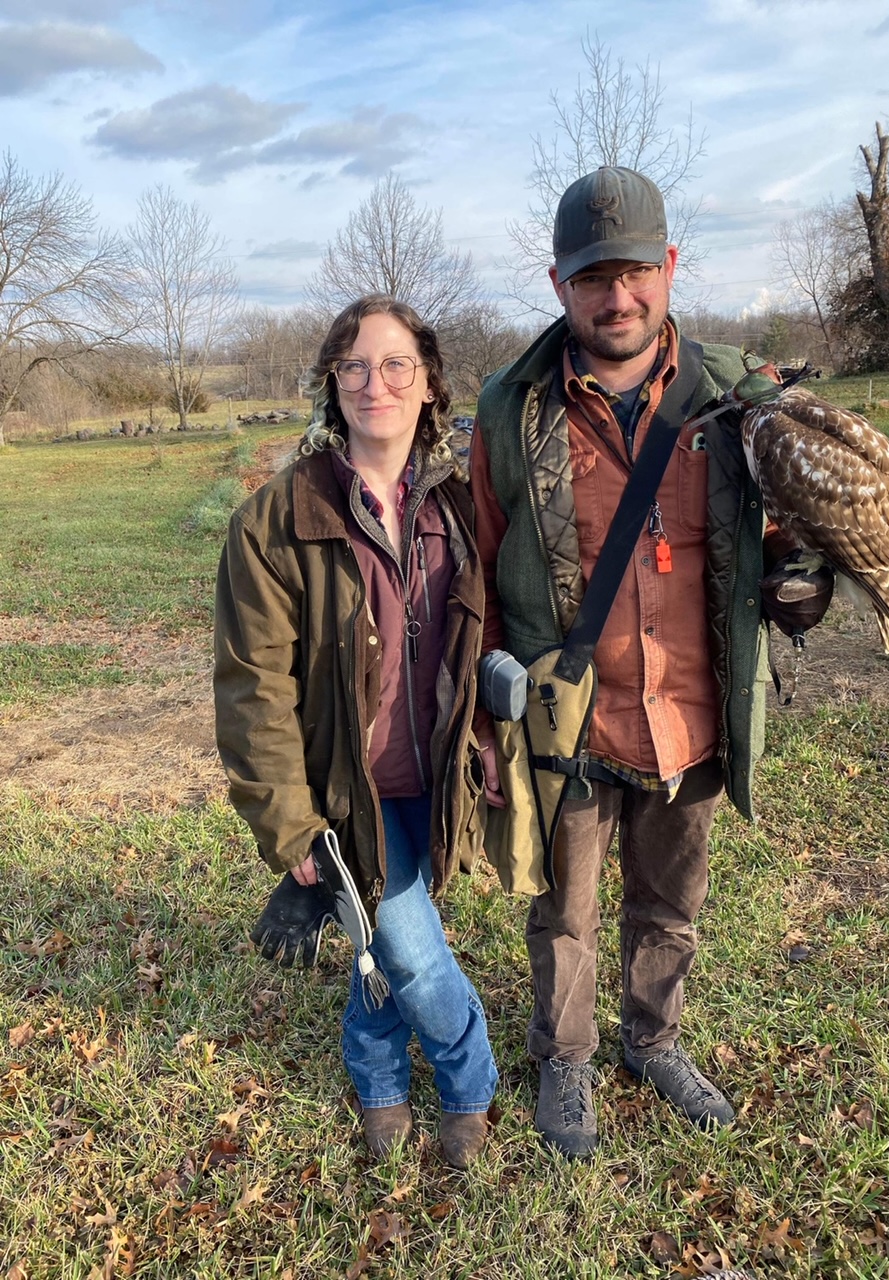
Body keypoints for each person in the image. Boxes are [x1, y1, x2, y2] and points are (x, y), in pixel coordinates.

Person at [470, 166, 805, 1159]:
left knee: (671, 901)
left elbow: (783, 551)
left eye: (633, 272)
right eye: (591, 277)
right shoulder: (510, 407)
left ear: (669, 265)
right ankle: (565, 1054)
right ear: (557, 282)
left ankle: (652, 1040)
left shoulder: (739, 396)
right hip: (572, 717)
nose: (615, 296)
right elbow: (481, 569)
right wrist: (485, 722)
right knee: (563, 913)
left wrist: (802, 583)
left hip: (692, 714)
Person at [214, 295, 498, 1168]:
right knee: (410, 951)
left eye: (397, 365)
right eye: (356, 367)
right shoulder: (276, 521)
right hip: (345, 790)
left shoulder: (459, 506)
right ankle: (469, 1083)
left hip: (438, 776)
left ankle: (376, 1078)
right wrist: (291, 824)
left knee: (375, 936)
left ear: (428, 385)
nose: (377, 382)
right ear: (332, 386)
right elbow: (252, 689)